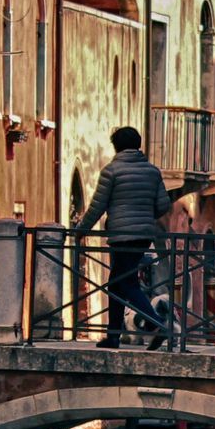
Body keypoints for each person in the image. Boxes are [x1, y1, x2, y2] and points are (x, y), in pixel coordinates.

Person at [74, 125, 174, 348]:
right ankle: (113, 336)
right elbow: (163, 205)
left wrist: (81, 230)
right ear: (138, 144)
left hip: (121, 235)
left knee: (124, 283)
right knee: (119, 284)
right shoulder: (152, 172)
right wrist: (145, 214)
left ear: (116, 146)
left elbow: (97, 207)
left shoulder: (111, 171)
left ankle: (156, 324)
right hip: (143, 235)